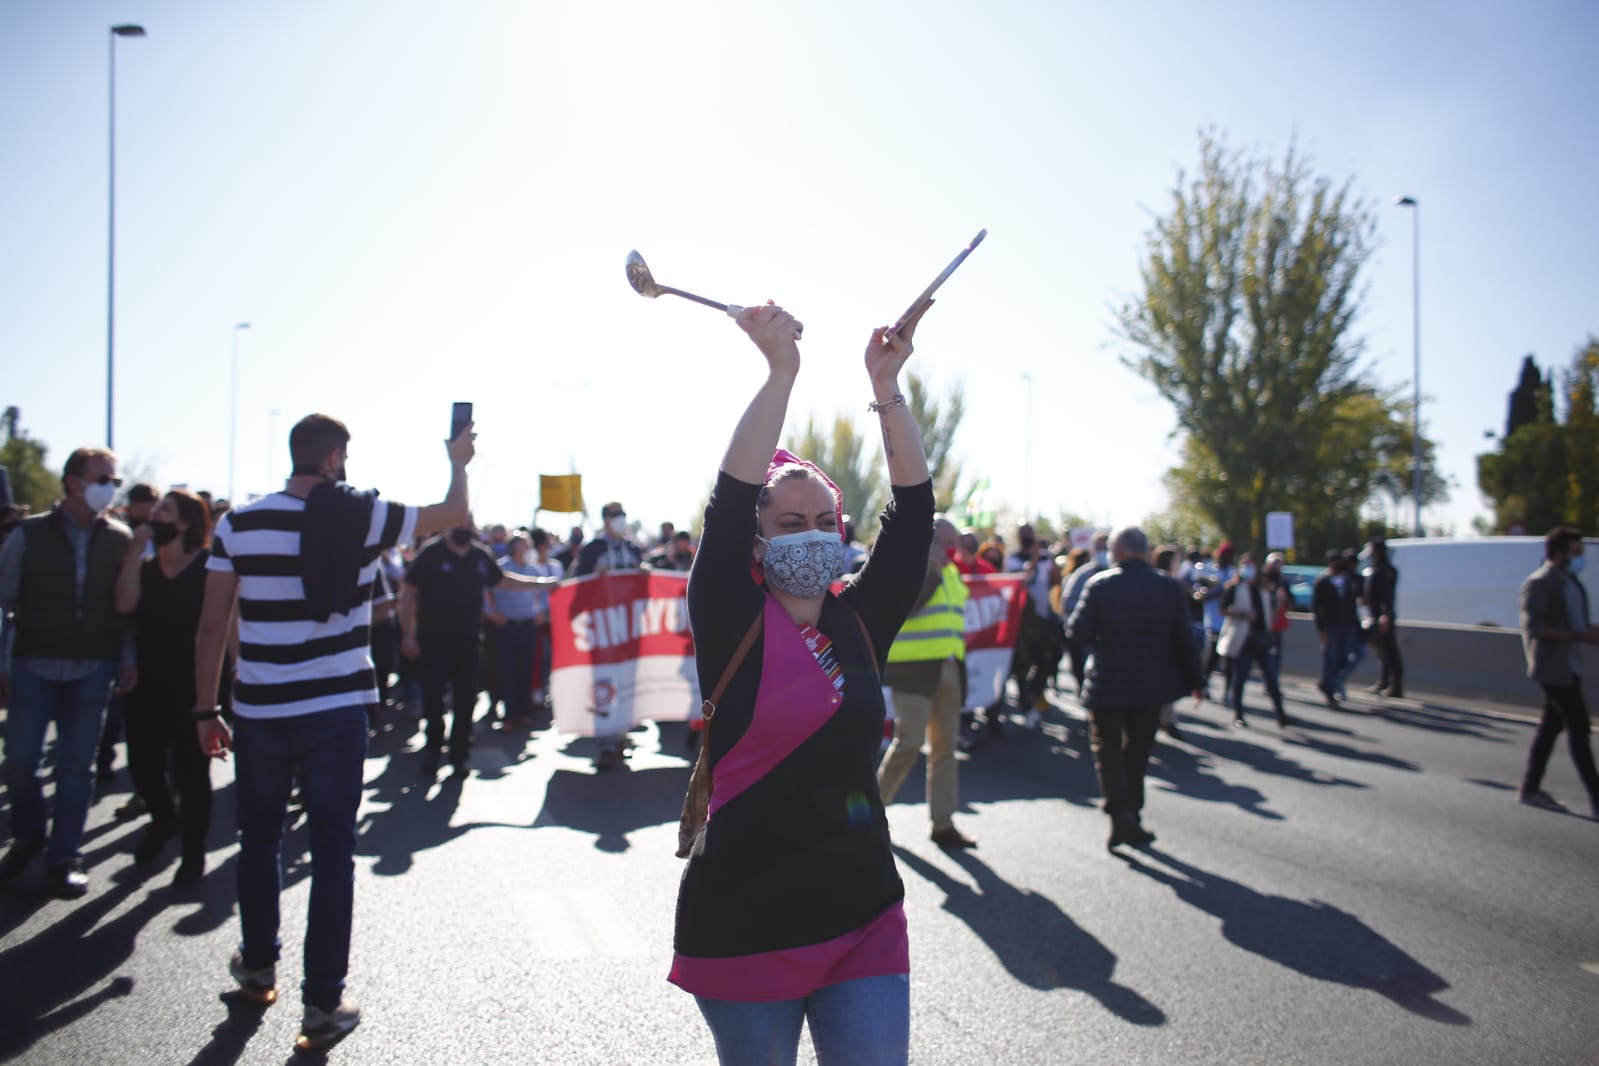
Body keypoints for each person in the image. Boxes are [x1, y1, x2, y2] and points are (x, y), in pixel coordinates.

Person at [671, 299, 934, 1066]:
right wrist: (781, 369)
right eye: (791, 523)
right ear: (756, 538)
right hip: (743, 924)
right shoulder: (726, 611)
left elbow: (914, 514)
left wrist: (884, 386)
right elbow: (726, 501)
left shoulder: (862, 620)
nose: (814, 535)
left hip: (865, 915)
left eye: (827, 520)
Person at [191, 413, 473, 1052]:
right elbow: (452, 513)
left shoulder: (239, 523)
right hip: (337, 709)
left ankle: (258, 966)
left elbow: (212, 628)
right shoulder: (363, 517)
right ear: (336, 458)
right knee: (332, 853)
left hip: (260, 710)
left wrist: (205, 712)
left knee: (258, 840)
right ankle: (322, 1004)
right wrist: (458, 459)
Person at [0, 448, 136, 898]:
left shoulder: (119, 537)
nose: (110, 488)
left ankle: (64, 857)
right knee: (20, 761)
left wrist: (127, 657)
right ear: (75, 482)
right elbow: (4, 601)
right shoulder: (29, 534)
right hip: (32, 664)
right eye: (104, 479)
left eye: (114, 481)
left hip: (93, 667)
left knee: (76, 768)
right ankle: (28, 833)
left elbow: (127, 609)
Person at [1064, 526, 1202, 852]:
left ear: (1119, 551)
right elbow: (1184, 638)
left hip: (1107, 683)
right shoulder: (1167, 587)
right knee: (1137, 753)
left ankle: (1121, 815)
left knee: (1108, 751)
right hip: (1151, 685)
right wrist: (1197, 681)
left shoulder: (1100, 585)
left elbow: (1077, 632)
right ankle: (1131, 816)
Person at [113, 488, 222, 884]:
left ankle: (193, 854)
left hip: (197, 686)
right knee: (143, 763)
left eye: (165, 510)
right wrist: (133, 552)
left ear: (186, 523)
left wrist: (236, 682)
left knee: (193, 774)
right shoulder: (143, 567)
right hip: (148, 684)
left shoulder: (211, 568)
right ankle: (163, 817)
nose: (154, 515)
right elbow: (124, 605)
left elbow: (228, 629)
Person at [403, 521, 557, 768]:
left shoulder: (479, 555)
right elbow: (408, 592)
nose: (465, 526)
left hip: (469, 642)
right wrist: (408, 635)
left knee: (466, 700)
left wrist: (541, 584)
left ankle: (459, 754)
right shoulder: (431, 553)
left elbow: (503, 581)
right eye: (460, 520)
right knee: (434, 698)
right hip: (433, 641)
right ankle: (433, 749)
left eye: (468, 522)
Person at [879, 515, 975, 850]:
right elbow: (909, 608)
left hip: (948, 669)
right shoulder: (911, 568)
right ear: (927, 541)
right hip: (914, 669)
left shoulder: (952, 573)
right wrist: (930, 570)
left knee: (945, 748)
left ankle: (943, 824)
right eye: (944, 543)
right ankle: (873, 815)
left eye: (954, 544)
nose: (952, 550)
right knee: (909, 743)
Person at [1516, 527, 1599, 820]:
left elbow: (1578, 623)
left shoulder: (1572, 583)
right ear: (1558, 553)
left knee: (1550, 728)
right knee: (1579, 728)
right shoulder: (1540, 583)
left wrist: (1588, 633)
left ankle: (1530, 789)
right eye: (1576, 553)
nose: (1580, 559)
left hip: (1571, 665)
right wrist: (1578, 636)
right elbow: (1535, 628)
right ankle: (1595, 796)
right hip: (1552, 670)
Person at [484, 531, 564, 728]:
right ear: (514, 547)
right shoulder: (501, 567)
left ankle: (523, 712)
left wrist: (543, 613)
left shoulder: (533, 568)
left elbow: (542, 595)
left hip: (528, 626)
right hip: (507, 626)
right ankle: (509, 714)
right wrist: (493, 613)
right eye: (523, 545)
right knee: (508, 671)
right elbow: (487, 592)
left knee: (526, 670)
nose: (527, 548)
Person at [1216, 552, 1287, 728]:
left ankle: (1281, 714)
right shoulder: (1233, 588)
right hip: (1243, 639)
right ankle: (1238, 713)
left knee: (1272, 678)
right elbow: (1222, 609)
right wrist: (1242, 615)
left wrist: (1279, 602)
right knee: (1240, 678)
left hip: (1262, 639)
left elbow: (1271, 615)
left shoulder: (1264, 589)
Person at [1312, 548, 1362, 706]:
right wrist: (1321, 629)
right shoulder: (1323, 581)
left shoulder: (1348, 580)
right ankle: (1329, 690)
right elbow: (1316, 608)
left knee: (1343, 658)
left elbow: (1358, 595)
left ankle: (1328, 683)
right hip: (1331, 626)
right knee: (1331, 658)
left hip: (1347, 625)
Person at [1363, 536, 1404, 698]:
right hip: (1375, 615)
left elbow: (1388, 596)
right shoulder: (1374, 569)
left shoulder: (1386, 571)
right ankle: (1383, 682)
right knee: (1381, 651)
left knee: (1391, 651)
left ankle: (1396, 686)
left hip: (1383, 616)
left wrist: (1385, 614)